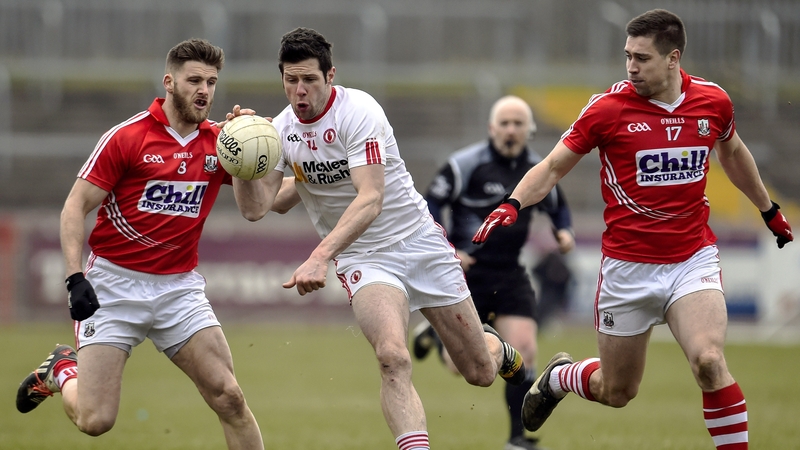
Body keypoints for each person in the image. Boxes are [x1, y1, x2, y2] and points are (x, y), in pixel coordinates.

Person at [472, 9, 794, 450]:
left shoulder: (713, 102)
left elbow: (733, 152)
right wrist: (512, 202)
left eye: (641, 58)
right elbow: (551, 166)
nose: (631, 67)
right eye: (627, 56)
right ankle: (560, 377)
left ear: (672, 58)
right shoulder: (607, 109)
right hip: (628, 268)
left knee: (708, 360)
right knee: (617, 391)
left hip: (691, 258)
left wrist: (767, 208)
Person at [232, 27, 526, 450]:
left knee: (478, 371)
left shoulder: (359, 111)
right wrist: (240, 162)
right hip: (363, 258)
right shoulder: (279, 131)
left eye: (310, 79)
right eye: (291, 80)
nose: (300, 91)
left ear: (330, 75)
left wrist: (318, 256)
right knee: (392, 355)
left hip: (417, 241)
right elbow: (261, 207)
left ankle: (497, 347)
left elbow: (370, 198)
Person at [15, 38, 264, 449]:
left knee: (230, 398)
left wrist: (250, 153)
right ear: (169, 82)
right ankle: (62, 369)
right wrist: (75, 277)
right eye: (194, 80)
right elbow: (74, 207)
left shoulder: (222, 142)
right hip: (114, 286)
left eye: (212, 82)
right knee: (96, 420)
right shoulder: (127, 137)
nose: (204, 90)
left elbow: (255, 210)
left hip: (178, 288)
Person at [415, 95, 574, 450]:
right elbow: (429, 206)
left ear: (529, 130)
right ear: (491, 128)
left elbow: (559, 208)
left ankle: (518, 440)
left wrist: (565, 234)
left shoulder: (537, 169)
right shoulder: (465, 165)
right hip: (465, 274)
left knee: (525, 352)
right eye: (505, 123)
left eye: (519, 124)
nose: (511, 130)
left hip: (511, 273)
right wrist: (448, 249)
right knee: (463, 367)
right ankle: (437, 333)